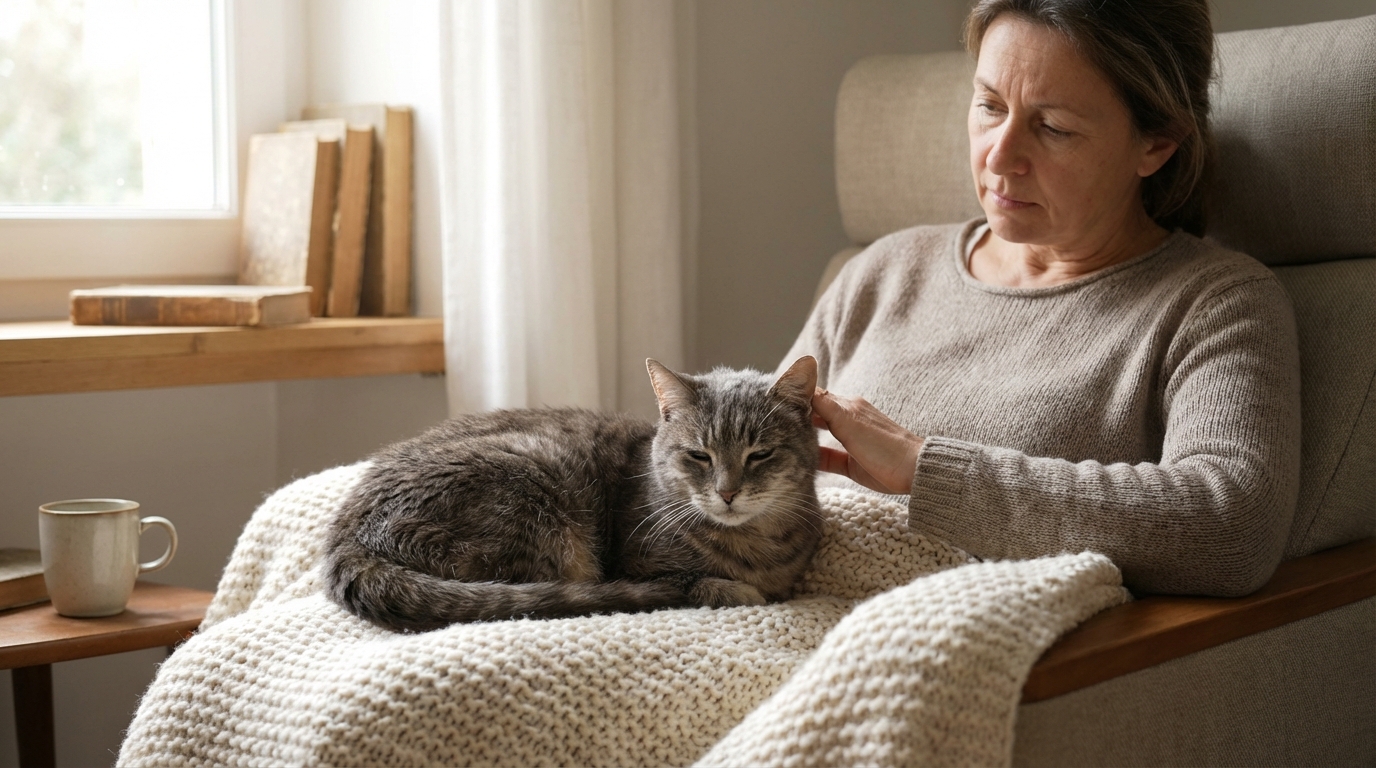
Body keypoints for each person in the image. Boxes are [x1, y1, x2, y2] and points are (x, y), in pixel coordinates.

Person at [787, 0, 1301, 597]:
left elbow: (1231, 524)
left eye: (1052, 127)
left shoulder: (1213, 304)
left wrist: (927, 470)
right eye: (989, 106)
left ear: (1156, 143)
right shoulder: (882, 272)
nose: (999, 157)